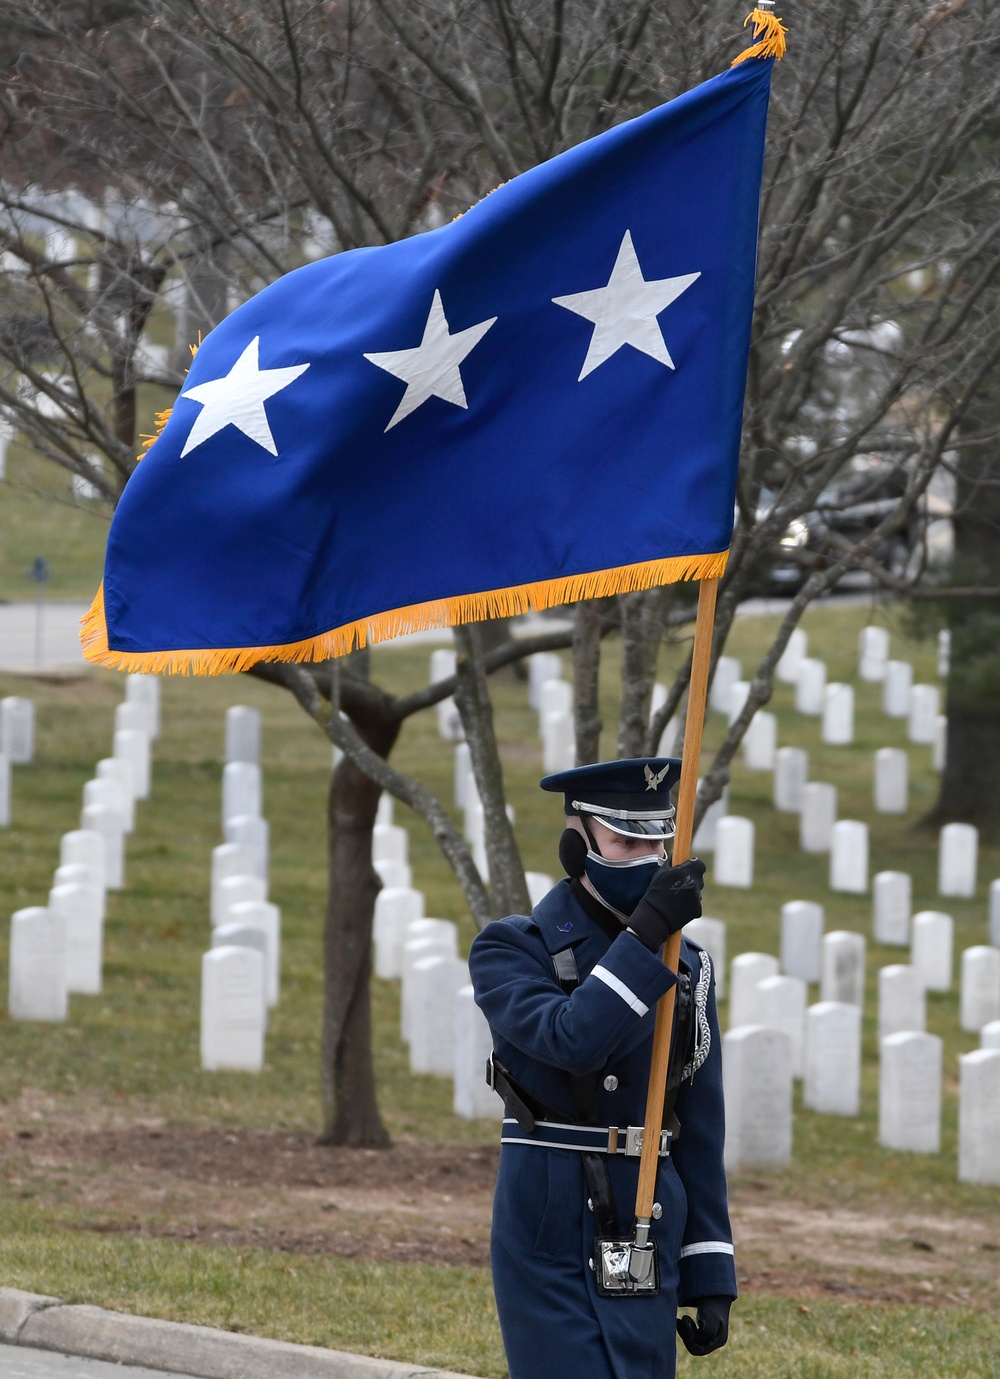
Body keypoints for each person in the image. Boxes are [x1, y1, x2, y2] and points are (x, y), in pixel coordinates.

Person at [468, 757, 735, 1379]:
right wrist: (643, 938)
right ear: (577, 843)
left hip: (647, 1214)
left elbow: (697, 1124)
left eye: (656, 840)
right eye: (625, 839)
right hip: (550, 1216)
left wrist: (710, 1268)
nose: (646, 856)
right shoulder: (515, 948)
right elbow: (572, 1040)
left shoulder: (688, 966)